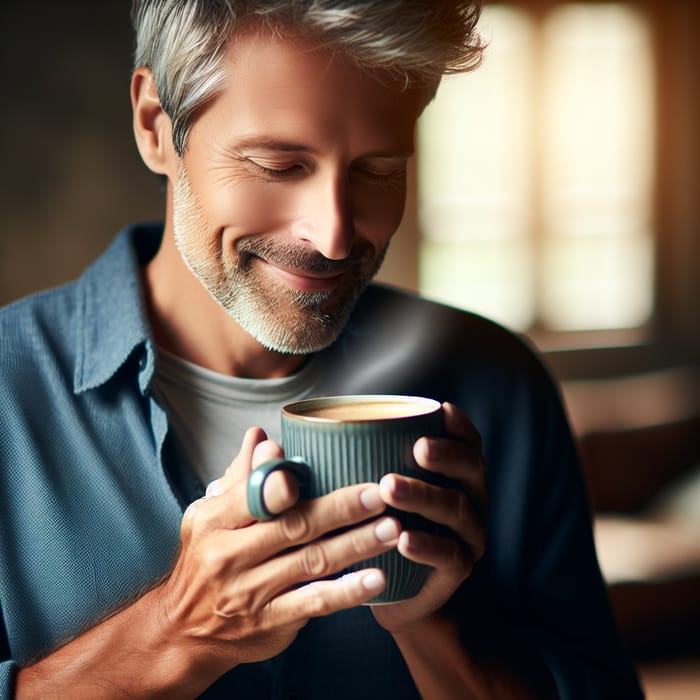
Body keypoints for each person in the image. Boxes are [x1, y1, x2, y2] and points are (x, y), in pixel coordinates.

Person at [0, 1, 644, 698]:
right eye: (279, 164)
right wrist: (179, 630)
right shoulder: (9, 392)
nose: (334, 236)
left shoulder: (500, 388)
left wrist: (434, 623)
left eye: (377, 170)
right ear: (156, 126)